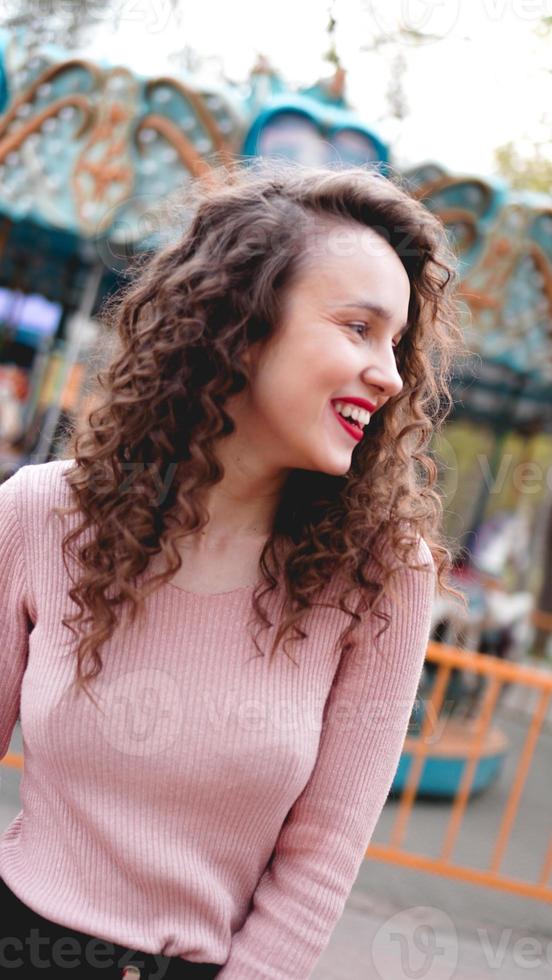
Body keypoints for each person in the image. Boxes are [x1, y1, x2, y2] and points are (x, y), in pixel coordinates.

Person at [0, 160, 466, 978]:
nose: (391, 375)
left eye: (397, 344)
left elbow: (322, 856)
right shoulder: (40, 514)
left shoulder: (381, 576)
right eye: (359, 328)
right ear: (242, 323)